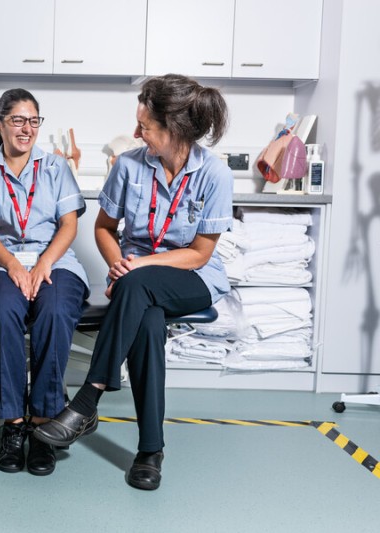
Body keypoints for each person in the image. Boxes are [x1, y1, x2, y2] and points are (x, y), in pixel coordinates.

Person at [33, 74, 233, 490]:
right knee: (147, 323)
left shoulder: (214, 175)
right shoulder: (129, 166)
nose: (138, 132)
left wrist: (135, 269)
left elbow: (200, 253)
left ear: (175, 130)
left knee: (137, 287)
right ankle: (150, 451)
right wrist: (120, 265)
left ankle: (87, 399)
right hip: (136, 281)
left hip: (192, 277)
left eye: (146, 126)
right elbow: (104, 228)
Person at [0, 89, 89, 476]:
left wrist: (43, 264)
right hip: (1, 264)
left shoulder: (56, 167)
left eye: (34, 121)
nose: (27, 129)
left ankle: (44, 423)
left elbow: (69, 224)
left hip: (55, 261)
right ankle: (13, 424)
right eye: (18, 120)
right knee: (4, 313)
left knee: (55, 311)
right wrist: (12, 265)